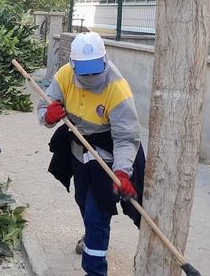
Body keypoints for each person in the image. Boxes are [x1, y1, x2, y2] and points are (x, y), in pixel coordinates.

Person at [38, 31, 145, 276]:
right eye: (84, 71)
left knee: (98, 213)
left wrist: (122, 171)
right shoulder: (64, 75)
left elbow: (127, 138)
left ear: (105, 60)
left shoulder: (117, 89)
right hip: (79, 152)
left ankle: (95, 269)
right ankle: (91, 234)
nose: (90, 76)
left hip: (109, 156)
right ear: (73, 64)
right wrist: (48, 116)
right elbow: (45, 106)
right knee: (83, 203)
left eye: (95, 69)